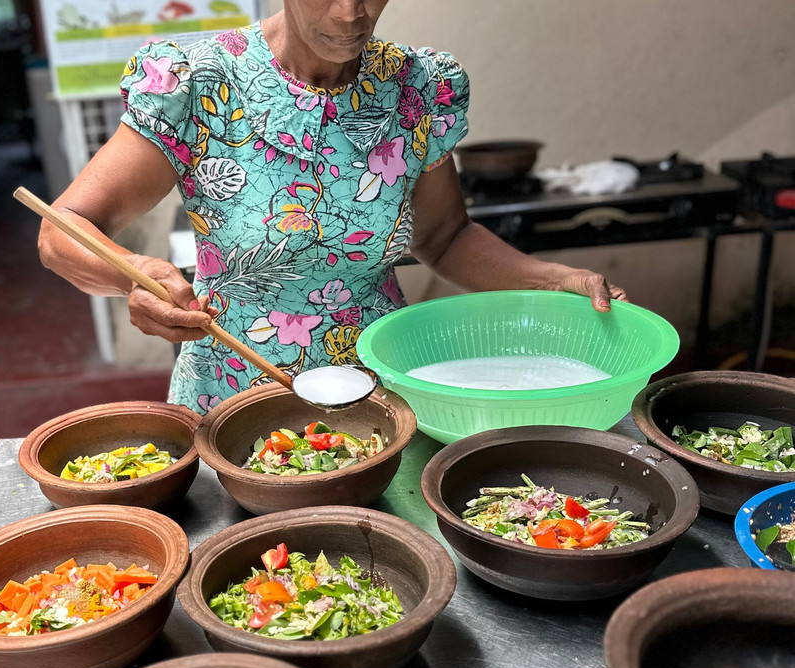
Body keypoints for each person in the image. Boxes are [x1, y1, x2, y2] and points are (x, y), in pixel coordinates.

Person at [38, 0, 627, 414]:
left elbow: (444, 237)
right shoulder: (200, 81)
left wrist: (553, 278)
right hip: (235, 391)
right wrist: (129, 275)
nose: (350, 14)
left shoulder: (415, 88)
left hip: (378, 394)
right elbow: (64, 229)